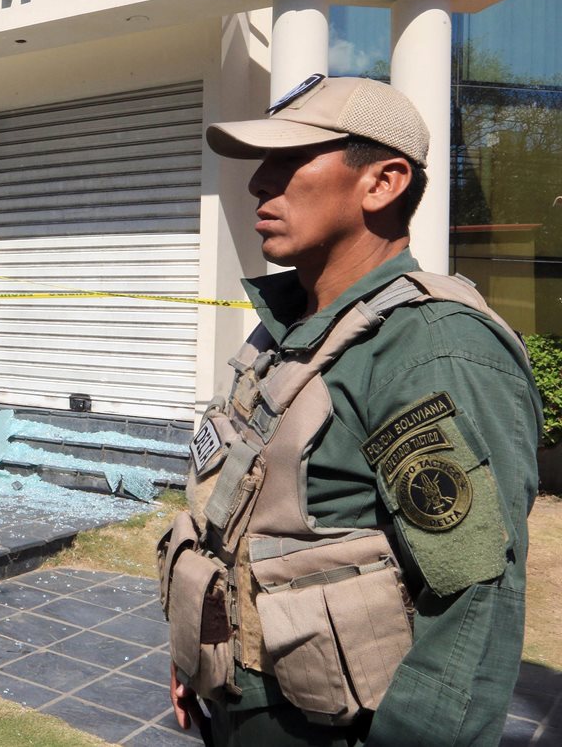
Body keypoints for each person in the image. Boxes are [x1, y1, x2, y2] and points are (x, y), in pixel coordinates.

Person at [160, 75, 542, 746]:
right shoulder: (287, 327)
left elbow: (471, 603)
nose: (258, 185)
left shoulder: (428, 348)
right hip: (239, 700)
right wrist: (199, 650)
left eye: (288, 161)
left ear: (382, 182)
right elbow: (241, 522)